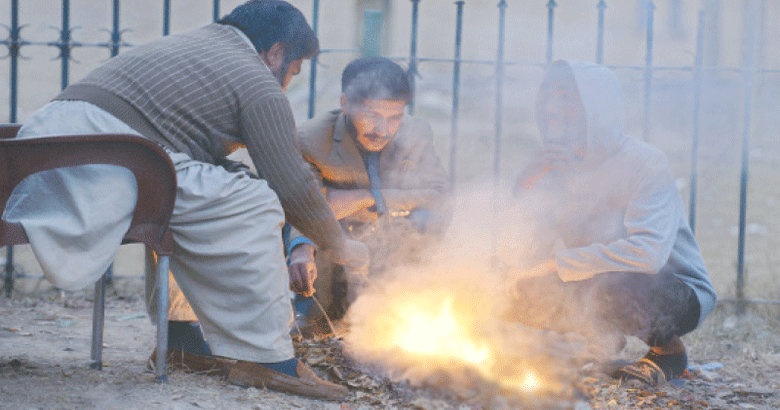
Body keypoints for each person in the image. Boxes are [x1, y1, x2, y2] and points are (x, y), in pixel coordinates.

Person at [5, 0, 368, 401]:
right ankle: (266, 358)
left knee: (205, 193)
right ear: (277, 53)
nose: (287, 82)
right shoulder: (256, 79)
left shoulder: (198, 45)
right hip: (101, 164)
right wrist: (339, 244)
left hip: (42, 154)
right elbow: (291, 185)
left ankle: (181, 341)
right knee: (254, 201)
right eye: (293, 71)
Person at [506, 60, 717, 386]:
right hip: (598, 282)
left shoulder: (645, 162)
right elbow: (525, 247)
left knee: (616, 277)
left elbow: (647, 255)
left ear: (597, 107)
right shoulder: (553, 164)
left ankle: (668, 351)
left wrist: (555, 263)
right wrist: (524, 187)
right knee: (501, 283)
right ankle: (601, 336)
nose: (552, 108)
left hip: (668, 290)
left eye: (567, 97)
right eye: (548, 97)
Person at [287, 57, 450, 332]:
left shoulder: (417, 133)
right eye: (372, 115)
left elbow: (439, 193)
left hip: (393, 239)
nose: (383, 130)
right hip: (338, 242)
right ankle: (314, 312)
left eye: (394, 117)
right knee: (317, 326)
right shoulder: (310, 139)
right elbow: (301, 206)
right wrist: (301, 249)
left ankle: (408, 301)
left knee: (428, 219)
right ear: (345, 104)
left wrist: (369, 197)